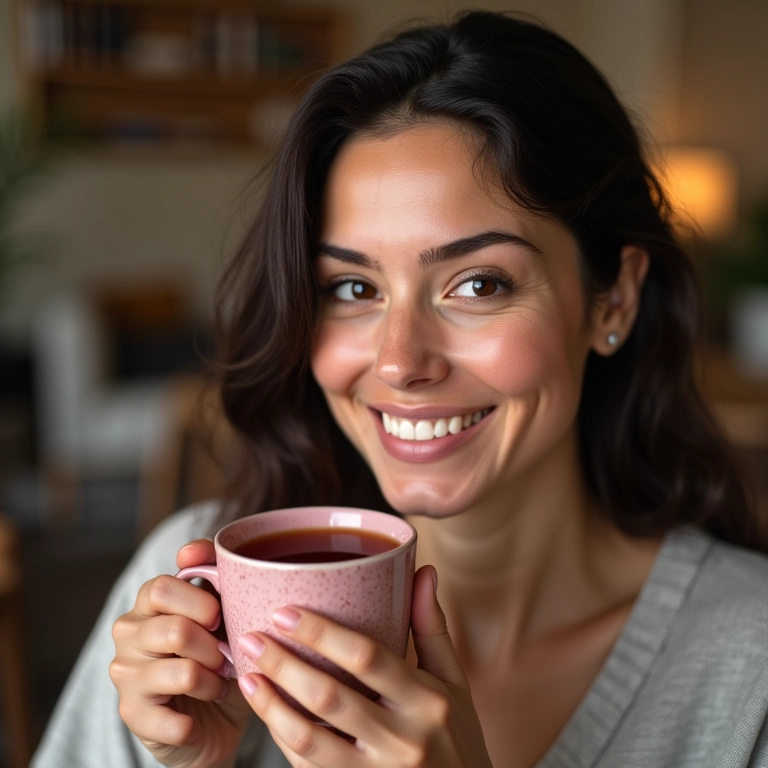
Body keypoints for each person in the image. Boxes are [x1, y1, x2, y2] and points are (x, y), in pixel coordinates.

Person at [31, 10, 768, 768]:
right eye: (353, 288)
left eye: (478, 284)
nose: (399, 361)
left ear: (613, 300)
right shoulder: (192, 598)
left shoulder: (752, 669)